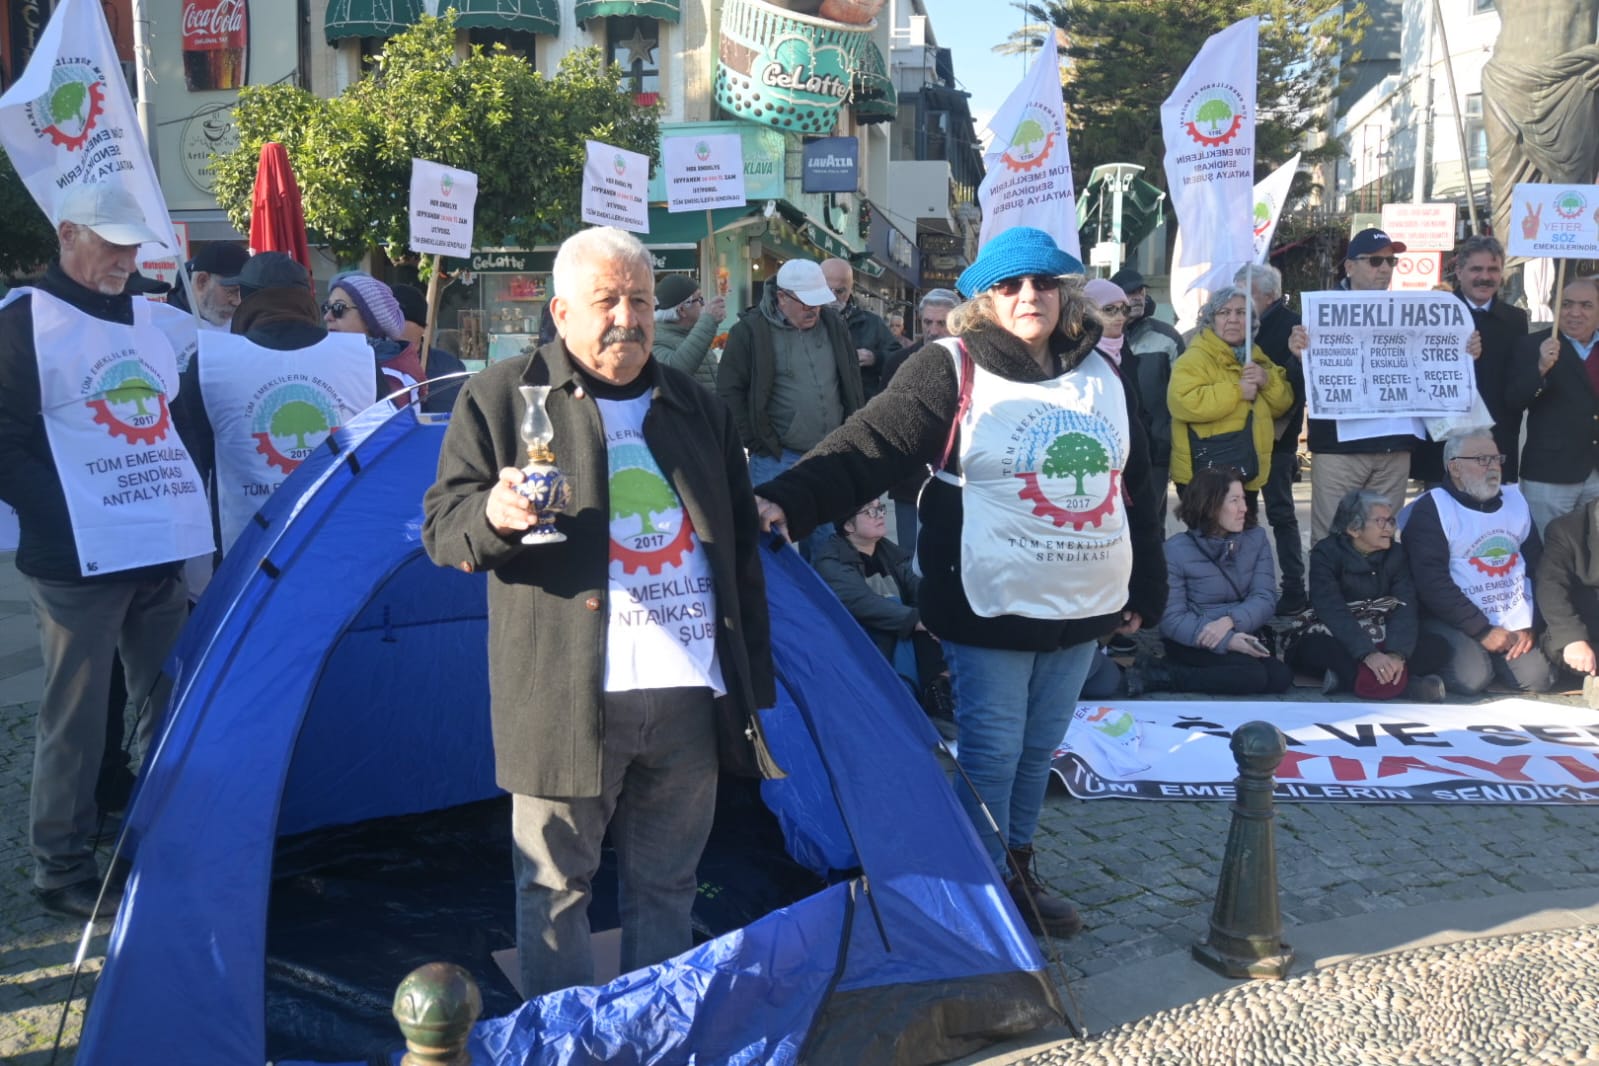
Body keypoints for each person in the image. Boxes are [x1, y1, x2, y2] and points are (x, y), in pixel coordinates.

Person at [751, 226, 1167, 938]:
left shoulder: (1103, 372)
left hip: (1083, 604)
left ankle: (1019, 866)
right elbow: (870, 442)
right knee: (993, 750)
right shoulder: (949, 366)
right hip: (988, 603)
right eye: (1009, 284)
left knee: (1039, 749)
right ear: (984, 298)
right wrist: (787, 497)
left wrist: (1146, 586)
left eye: (1042, 282)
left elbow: (1135, 484)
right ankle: (984, 888)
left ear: (1064, 292)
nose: (1028, 295)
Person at [421, 226, 778, 998]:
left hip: (688, 693)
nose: (628, 318)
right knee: (554, 889)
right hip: (565, 694)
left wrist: (751, 679)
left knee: (668, 885)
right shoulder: (499, 398)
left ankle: (652, 1032)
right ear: (560, 311)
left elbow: (739, 554)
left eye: (641, 301)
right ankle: (564, 1040)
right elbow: (443, 530)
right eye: (607, 301)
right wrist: (495, 515)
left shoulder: (697, 406)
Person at [0, 182, 211, 919]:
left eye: (132, 246)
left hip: (157, 551)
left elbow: (176, 423)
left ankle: (154, 839)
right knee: (78, 717)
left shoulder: (150, 321)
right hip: (76, 563)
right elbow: (5, 442)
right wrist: (75, 516)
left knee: (167, 704)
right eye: (111, 245)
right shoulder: (24, 321)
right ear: (67, 235)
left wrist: (177, 502)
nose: (126, 259)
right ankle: (59, 866)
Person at [181, 253, 379, 553]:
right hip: (340, 544)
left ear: (246, 300)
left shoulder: (210, 362)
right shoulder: (362, 358)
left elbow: (194, 459)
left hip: (246, 555)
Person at [717, 257, 864, 560]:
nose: (814, 309)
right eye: (806, 302)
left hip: (828, 455)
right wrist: (755, 440)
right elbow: (730, 391)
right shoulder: (750, 331)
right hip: (776, 455)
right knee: (770, 545)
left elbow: (850, 376)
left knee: (827, 547)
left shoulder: (833, 324)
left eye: (818, 302)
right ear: (782, 297)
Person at [1404, 432, 1559, 695]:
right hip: (1452, 618)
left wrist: (1530, 624)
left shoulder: (1516, 502)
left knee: (1539, 678)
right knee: (1472, 678)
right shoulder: (1433, 508)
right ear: (1455, 467)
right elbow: (1431, 583)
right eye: (1482, 459)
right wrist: (1482, 630)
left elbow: (1538, 567)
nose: (1493, 467)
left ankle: (1493, 659)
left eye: (1496, 459)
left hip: (1510, 617)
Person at [1306, 230, 1422, 543]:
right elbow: (1299, 380)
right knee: (1331, 539)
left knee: (1381, 539)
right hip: (1340, 449)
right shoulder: (1320, 312)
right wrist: (1297, 355)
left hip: (1393, 447)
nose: (1384, 268)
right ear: (1349, 266)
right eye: (1374, 261)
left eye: (1390, 261)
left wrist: (1462, 350)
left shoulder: (1409, 313)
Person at [1138, 467, 1293, 695]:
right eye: (1234, 500)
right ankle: (1163, 676)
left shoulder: (1256, 538)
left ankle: (1176, 671)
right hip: (1194, 636)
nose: (1244, 508)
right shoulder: (1175, 550)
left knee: (1280, 677)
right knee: (1251, 676)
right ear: (1210, 505)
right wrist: (1226, 641)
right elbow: (1172, 619)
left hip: (1242, 628)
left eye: (1243, 499)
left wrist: (1230, 622)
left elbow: (1265, 597)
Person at [1286, 490, 1449, 701]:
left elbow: (1405, 606)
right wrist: (1367, 653)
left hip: (1384, 633)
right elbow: (1331, 608)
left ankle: (1348, 681)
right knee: (1314, 649)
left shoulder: (1397, 554)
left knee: (1438, 646)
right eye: (1381, 522)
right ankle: (1407, 686)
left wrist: (1396, 654)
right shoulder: (1325, 552)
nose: (1389, 528)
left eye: (1391, 521)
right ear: (1354, 528)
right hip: (1341, 634)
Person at [811, 496, 950, 716]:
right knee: (903, 614)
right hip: (860, 638)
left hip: (899, 629)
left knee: (928, 616)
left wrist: (930, 616)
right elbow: (863, 604)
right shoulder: (830, 561)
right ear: (848, 526)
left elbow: (919, 588)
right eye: (870, 512)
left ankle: (939, 687)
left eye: (880, 508)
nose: (880, 516)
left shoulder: (890, 552)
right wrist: (918, 620)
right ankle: (920, 693)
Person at [1411, 237, 1529, 487]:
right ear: (1459, 271)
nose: (1484, 277)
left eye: (1492, 269)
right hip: (1444, 444)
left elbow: (1516, 383)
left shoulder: (1516, 320)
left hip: (1497, 443)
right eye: (1476, 269)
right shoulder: (1432, 313)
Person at [1482, 0, 1599, 248]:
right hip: (1506, 80)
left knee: (1573, 194)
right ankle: (1505, 272)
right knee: (1506, 194)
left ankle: (1570, 272)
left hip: (1574, 77)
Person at [1168, 286, 1294, 512]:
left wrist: (1266, 381)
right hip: (1205, 477)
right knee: (1210, 533)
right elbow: (1182, 402)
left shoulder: (1257, 358)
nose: (1233, 319)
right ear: (1211, 320)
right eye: (1224, 312)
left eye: (1241, 312)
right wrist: (1237, 391)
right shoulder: (1195, 358)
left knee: (1242, 532)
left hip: (1246, 472)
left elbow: (1283, 404)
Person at [1237, 264, 1308, 615]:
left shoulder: (1293, 326)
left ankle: (1293, 587)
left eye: (1245, 293)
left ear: (1269, 295)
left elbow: (1298, 384)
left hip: (1278, 439)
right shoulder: (1240, 325)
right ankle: (1245, 586)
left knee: (1280, 513)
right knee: (1242, 514)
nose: (1238, 302)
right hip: (1243, 436)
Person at [1506, 278, 1599, 536]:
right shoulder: (1533, 345)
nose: (1575, 312)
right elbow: (1514, 400)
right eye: (1566, 304)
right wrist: (1540, 369)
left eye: (1586, 305)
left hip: (1595, 471)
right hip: (1550, 475)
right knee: (1548, 551)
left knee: (1593, 553)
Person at [879, 287, 961, 550]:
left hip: (958, 482)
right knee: (909, 558)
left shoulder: (975, 364)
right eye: (928, 322)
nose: (933, 330)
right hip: (910, 481)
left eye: (942, 323)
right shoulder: (898, 362)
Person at [1087, 278, 1170, 510]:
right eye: (1109, 309)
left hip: (1137, 456)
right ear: (1088, 312)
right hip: (1096, 462)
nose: (1119, 316)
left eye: (1123, 309)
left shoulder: (1123, 351)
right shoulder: (1079, 358)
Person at [323, 271, 427, 409]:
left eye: (338, 308)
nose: (327, 317)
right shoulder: (330, 360)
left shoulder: (392, 377)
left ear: (369, 319)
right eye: (326, 308)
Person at [1535, 498, 1599, 703]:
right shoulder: (1566, 529)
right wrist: (1573, 639)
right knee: (1560, 646)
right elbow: (1550, 587)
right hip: (1585, 630)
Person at [821, 257, 901, 399]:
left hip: (861, 406)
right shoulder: (805, 319)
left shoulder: (872, 323)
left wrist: (876, 358)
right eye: (827, 289)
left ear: (850, 288)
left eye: (840, 291)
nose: (832, 297)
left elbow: (900, 360)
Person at [391, 283, 468, 415]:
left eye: (402, 318)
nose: (391, 325)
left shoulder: (449, 367)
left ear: (423, 327)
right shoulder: (372, 365)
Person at [651, 274, 726, 391]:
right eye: (699, 299)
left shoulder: (693, 334)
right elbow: (676, 370)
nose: (704, 304)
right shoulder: (656, 340)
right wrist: (708, 320)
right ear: (682, 310)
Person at [1110, 266, 1185, 370]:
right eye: (1130, 292)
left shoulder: (1169, 337)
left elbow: (1183, 378)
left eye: (1141, 291)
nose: (1138, 297)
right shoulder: (1101, 338)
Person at [164, 242, 249, 330]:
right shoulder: (162, 328)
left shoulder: (242, 326)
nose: (238, 302)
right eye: (232, 291)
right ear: (202, 281)